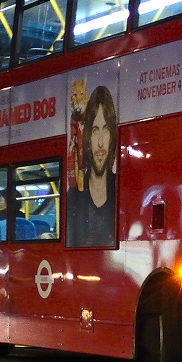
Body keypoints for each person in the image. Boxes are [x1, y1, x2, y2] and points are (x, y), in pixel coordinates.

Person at [66, 85, 119, 247]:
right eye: (95, 130)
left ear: (112, 137)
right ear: (87, 137)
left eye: (106, 130)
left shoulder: (120, 190)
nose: (101, 143)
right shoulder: (73, 198)